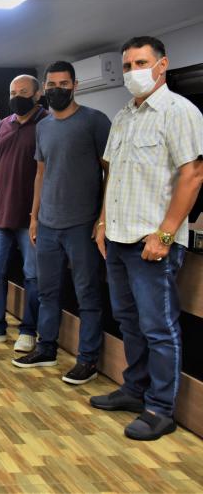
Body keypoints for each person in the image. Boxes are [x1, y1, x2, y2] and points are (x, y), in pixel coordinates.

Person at [90, 36, 203, 441]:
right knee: (128, 321)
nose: (132, 72)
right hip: (118, 238)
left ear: (162, 65)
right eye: (127, 65)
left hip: (152, 242)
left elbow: (193, 175)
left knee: (158, 328)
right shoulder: (124, 116)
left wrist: (166, 234)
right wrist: (103, 222)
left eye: (141, 63)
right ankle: (134, 390)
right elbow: (112, 175)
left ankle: (160, 408)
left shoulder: (180, 111)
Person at [12, 61, 111, 387]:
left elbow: (111, 171)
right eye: (52, 85)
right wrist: (34, 217)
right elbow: (41, 174)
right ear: (45, 88)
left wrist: (102, 219)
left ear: (75, 85)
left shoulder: (95, 121)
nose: (57, 90)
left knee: (87, 293)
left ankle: (87, 360)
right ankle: (47, 348)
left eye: (64, 84)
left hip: (82, 224)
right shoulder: (44, 127)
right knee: (47, 290)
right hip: (48, 224)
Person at [0, 75, 48, 352]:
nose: (17, 97)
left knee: (32, 276)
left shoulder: (47, 124)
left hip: (32, 218)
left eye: (23, 92)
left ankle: (29, 331)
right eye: (13, 92)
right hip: (0, 213)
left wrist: (37, 215)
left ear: (37, 95)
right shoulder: (3, 126)